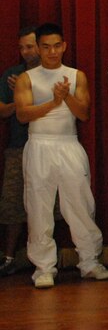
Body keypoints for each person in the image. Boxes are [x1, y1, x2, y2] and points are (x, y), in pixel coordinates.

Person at [14, 23, 108, 288]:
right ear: (38, 48)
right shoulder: (28, 78)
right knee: (38, 206)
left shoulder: (75, 75)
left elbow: (83, 113)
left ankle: (89, 262)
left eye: (57, 46)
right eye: (46, 47)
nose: (52, 52)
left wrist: (65, 96)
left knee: (80, 203)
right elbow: (22, 115)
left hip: (68, 144)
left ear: (64, 46)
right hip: (39, 145)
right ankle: (44, 267)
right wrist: (52, 103)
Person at [0, 26, 40, 276]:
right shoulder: (11, 75)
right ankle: (9, 257)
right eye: (22, 47)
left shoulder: (53, 72)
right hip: (18, 147)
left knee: (49, 205)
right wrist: (20, 97)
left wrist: (31, 94)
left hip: (48, 144)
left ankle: (48, 258)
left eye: (30, 46)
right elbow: (2, 111)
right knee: (13, 202)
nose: (25, 52)